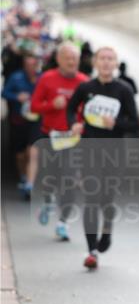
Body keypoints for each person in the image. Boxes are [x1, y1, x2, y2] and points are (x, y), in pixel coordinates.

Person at [66, 46, 139, 270]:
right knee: (91, 199)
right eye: (102, 59)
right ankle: (92, 251)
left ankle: (107, 230)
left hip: (114, 152)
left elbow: (135, 123)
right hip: (89, 150)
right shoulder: (86, 87)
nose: (106, 63)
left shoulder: (124, 90)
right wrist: (74, 124)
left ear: (116, 63)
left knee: (106, 199)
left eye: (111, 59)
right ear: (96, 63)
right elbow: (70, 109)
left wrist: (116, 124)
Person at [29, 42, 89, 241]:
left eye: (75, 58)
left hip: (73, 139)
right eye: (67, 57)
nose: (72, 61)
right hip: (51, 137)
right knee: (50, 177)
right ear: (58, 59)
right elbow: (34, 107)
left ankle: (62, 223)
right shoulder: (47, 79)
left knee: (70, 180)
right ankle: (48, 201)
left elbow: (90, 112)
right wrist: (51, 105)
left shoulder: (84, 82)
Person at [2, 52, 40, 196]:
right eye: (29, 64)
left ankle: (30, 182)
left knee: (32, 151)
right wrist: (17, 96)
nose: (32, 67)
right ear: (24, 65)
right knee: (20, 155)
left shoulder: (42, 78)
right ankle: (23, 176)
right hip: (18, 120)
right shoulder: (16, 77)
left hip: (36, 121)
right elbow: (4, 92)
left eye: (34, 64)